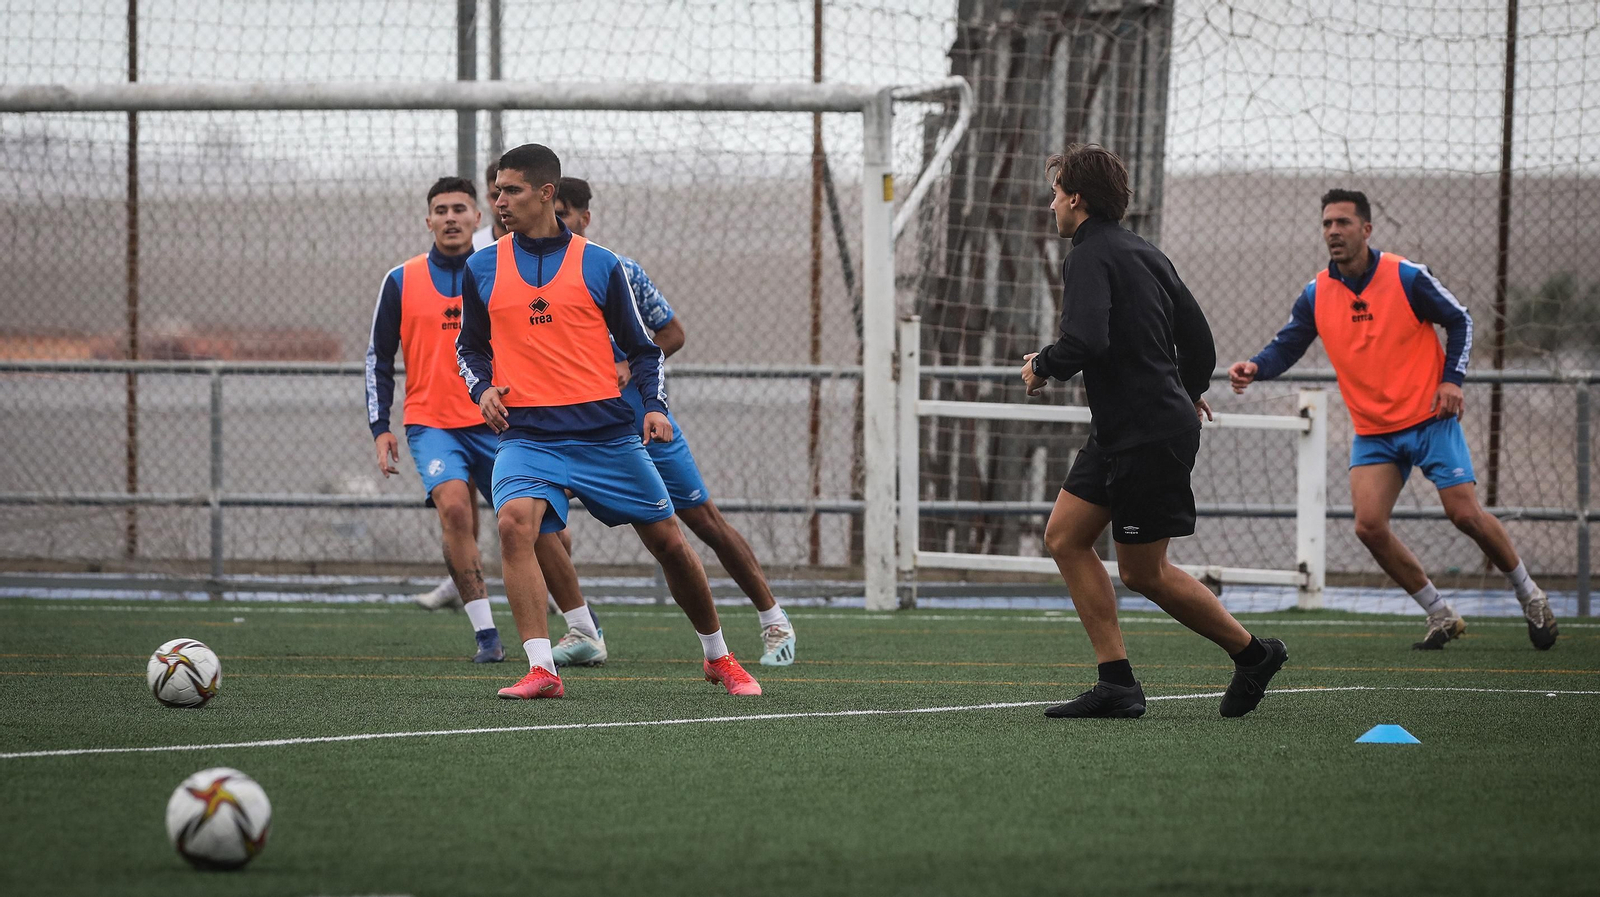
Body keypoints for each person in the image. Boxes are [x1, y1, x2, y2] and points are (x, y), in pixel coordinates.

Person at [456, 143, 762, 699]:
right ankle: (542, 669)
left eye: (511, 191)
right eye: (496, 191)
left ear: (546, 193)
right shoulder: (481, 267)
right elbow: (469, 349)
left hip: (606, 435)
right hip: (527, 436)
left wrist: (654, 407)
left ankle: (718, 656)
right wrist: (482, 390)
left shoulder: (601, 264)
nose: (499, 202)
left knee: (670, 544)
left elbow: (645, 350)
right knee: (513, 525)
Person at [1022, 144, 1287, 720]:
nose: (1051, 205)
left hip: (1146, 436)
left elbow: (1085, 340)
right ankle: (1116, 683)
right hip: (1123, 432)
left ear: (1076, 198)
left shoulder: (1087, 256)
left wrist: (1042, 364)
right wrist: (1186, 391)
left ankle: (1254, 654)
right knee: (1065, 538)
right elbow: (1200, 342)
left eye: (1055, 194)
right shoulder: (1147, 253)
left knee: (1144, 573)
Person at [1230, 188, 1558, 651]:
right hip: (1374, 432)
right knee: (1368, 527)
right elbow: (1287, 345)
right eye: (1327, 224)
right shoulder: (1316, 293)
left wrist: (1452, 381)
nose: (1333, 231)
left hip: (1430, 418)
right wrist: (1256, 367)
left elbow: (1460, 320)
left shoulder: (1406, 276)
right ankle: (1440, 613)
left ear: (1366, 229)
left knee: (1465, 515)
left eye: (1343, 222)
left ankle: (1531, 595)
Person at [547, 176, 797, 668]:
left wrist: (628, 367)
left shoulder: (616, 269)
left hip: (641, 423)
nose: (554, 222)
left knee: (702, 522)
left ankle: (774, 620)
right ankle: (582, 628)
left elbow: (672, 333)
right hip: (571, 429)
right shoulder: (524, 277)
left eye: (563, 213)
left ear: (584, 218)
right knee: (529, 515)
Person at [365, 177, 504, 659]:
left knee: (539, 525)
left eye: (459, 209)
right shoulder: (400, 280)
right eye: (440, 210)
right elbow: (378, 359)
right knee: (456, 510)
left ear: (477, 218)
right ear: (428, 220)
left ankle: (578, 622)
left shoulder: (499, 270)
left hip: (497, 419)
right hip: (432, 423)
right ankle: (487, 635)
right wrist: (380, 428)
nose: (450, 218)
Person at [471, 160, 505, 252]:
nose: (501, 202)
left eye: (511, 193)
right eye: (495, 196)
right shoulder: (474, 247)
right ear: (488, 198)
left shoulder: (538, 247)